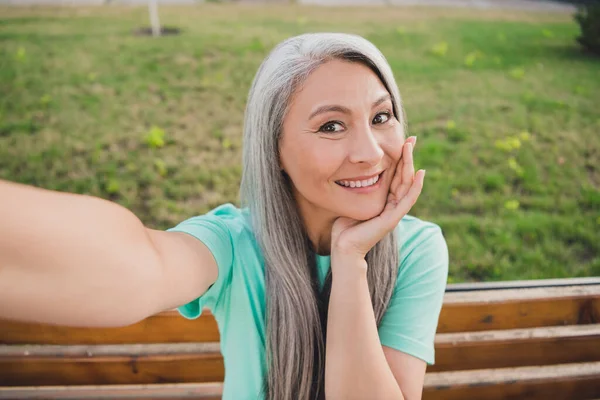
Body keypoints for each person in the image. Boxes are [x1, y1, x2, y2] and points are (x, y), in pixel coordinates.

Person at [0, 32, 448, 400]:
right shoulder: (233, 242)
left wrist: (350, 261)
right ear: (274, 151)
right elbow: (142, 265)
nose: (370, 154)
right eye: (332, 126)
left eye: (382, 117)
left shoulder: (417, 249)